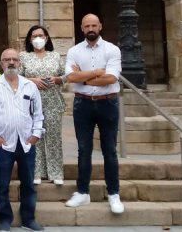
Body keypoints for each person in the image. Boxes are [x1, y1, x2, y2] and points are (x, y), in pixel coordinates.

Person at [64, 13, 124, 214]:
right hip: (83, 104)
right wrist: (97, 72)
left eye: (94, 25)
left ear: (100, 26)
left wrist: (84, 77)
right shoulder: (74, 51)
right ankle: (82, 192)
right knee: (83, 149)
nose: (91, 28)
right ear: (81, 28)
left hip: (108, 103)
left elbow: (111, 79)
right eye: (87, 25)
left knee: (110, 149)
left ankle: (114, 193)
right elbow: (71, 77)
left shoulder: (112, 49)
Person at [0, 48, 45, 232]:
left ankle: (28, 219)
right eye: (7, 59)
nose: (11, 62)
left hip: (26, 142)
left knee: (28, 183)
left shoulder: (30, 86)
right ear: (1, 64)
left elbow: (38, 113)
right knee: (2, 184)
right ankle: (4, 219)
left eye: (14, 59)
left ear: (20, 63)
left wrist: (35, 135)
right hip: (4, 143)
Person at [20, 25, 67, 186]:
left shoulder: (55, 56)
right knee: (35, 137)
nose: (38, 39)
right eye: (34, 36)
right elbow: (17, 77)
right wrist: (34, 81)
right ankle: (37, 172)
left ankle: (56, 172)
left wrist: (57, 79)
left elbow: (65, 75)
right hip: (31, 102)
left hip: (53, 101)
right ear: (29, 39)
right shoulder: (24, 56)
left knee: (54, 137)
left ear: (47, 38)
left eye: (41, 35)